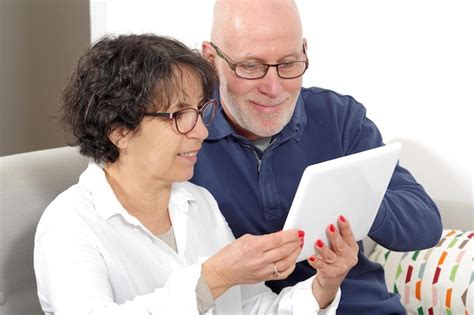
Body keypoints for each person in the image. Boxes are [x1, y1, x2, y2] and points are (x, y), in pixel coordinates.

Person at [33, 34, 359, 314]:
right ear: (119, 131)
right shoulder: (69, 224)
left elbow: (249, 308)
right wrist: (213, 277)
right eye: (179, 115)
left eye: (201, 111)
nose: (202, 131)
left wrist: (324, 286)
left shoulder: (198, 202)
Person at [191, 0, 443, 314]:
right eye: (251, 66)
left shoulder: (339, 118)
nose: (273, 87)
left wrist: (355, 200)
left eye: (288, 63)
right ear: (210, 58)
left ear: (305, 51)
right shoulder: (185, 133)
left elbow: (426, 225)